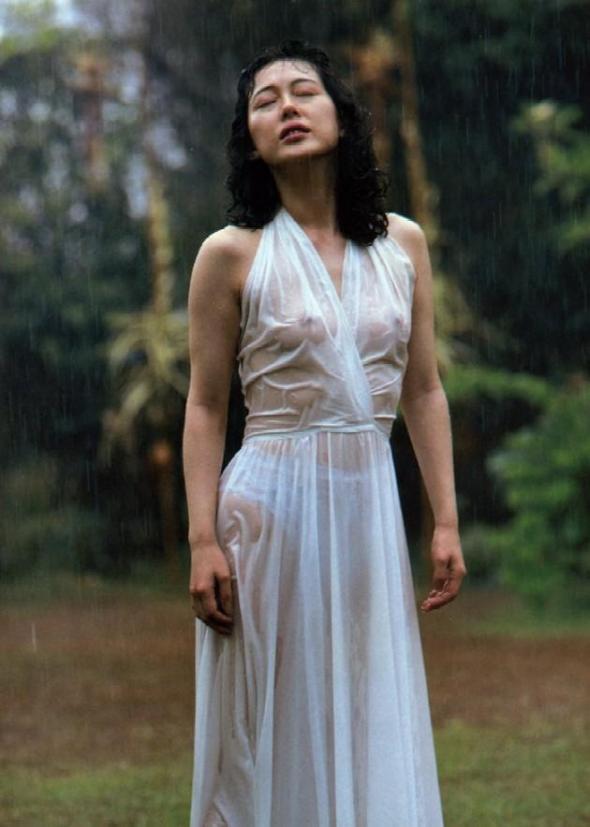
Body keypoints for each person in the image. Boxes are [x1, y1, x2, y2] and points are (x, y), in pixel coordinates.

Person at [183, 39, 467, 827]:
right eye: (265, 101)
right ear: (251, 140)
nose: (287, 107)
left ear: (342, 117)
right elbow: (205, 405)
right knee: (264, 719)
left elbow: (422, 389)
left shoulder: (402, 244)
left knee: (363, 706)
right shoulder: (229, 255)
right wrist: (203, 539)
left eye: (303, 92)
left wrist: (445, 518)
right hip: (265, 512)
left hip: (366, 510)